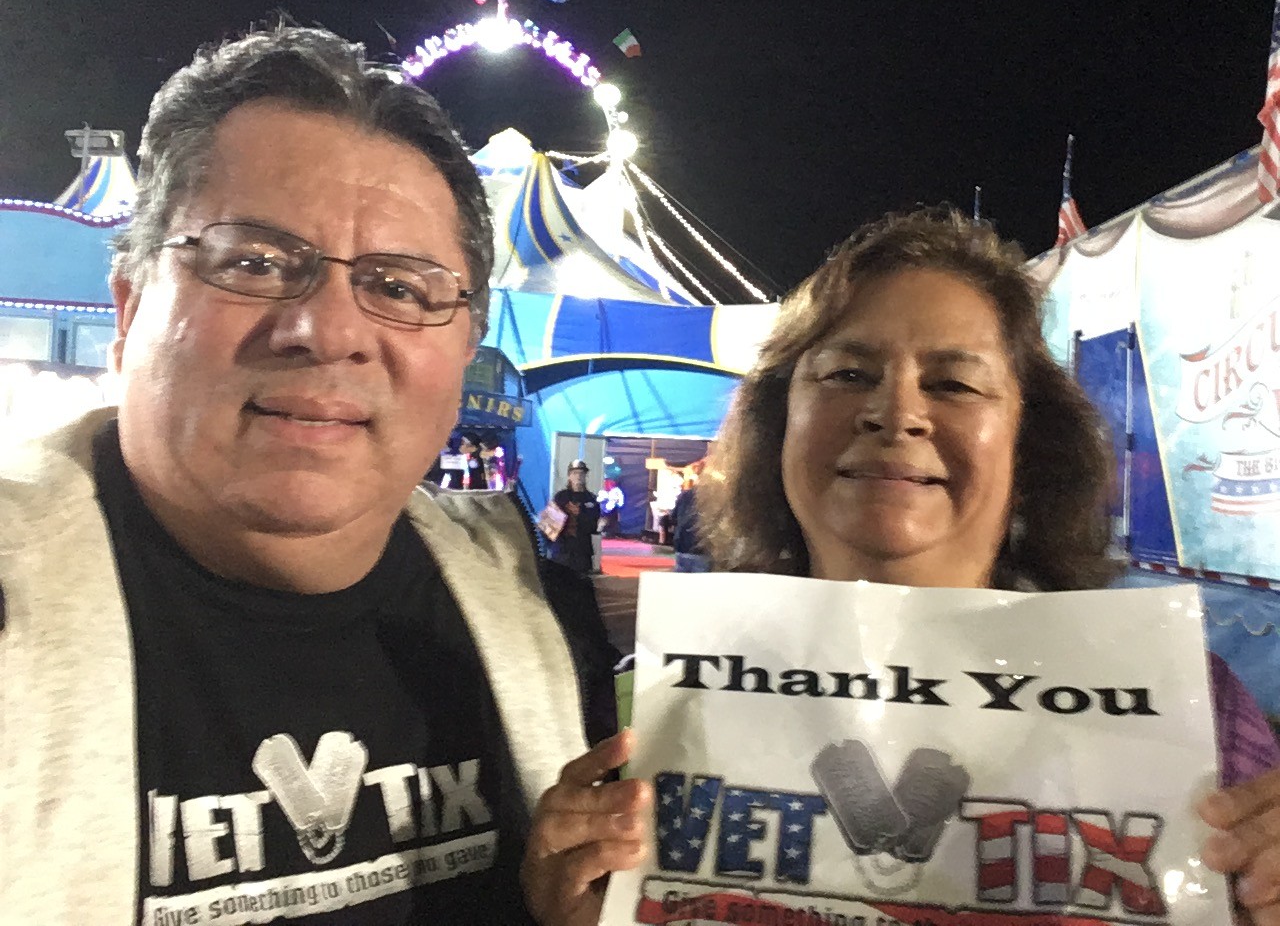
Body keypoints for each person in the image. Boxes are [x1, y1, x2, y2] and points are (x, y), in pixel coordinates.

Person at [0, 23, 619, 924]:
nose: (327, 332)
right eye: (253, 262)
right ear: (129, 310)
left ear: (464, 351)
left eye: (400, 287)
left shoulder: (546, 623)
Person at [520, 208, 1280, 925]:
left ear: (1026, 445)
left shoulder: (1192, 713)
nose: (896, 412)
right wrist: (574, 909)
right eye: (847, 374)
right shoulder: (641, 708)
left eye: (953, 384)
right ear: (780, 425)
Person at [550, 459, 600, 575]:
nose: (578, 476)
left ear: (585, 476)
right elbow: (549, 527)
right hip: (562, 552)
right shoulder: (560, 497)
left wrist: (580, 514)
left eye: (581, 473)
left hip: (582, 553)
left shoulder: (591, 499)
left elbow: (593, 527)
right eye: (575, 473)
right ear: (569, 476)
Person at [672, 463, 709, 572]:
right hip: (701, 548)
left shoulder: (684, 495)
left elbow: (674, 517)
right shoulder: (713, 498)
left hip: (682, 546)